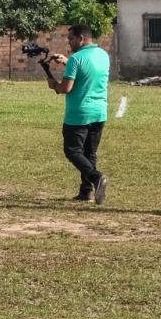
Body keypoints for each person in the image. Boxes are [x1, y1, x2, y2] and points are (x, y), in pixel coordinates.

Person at [44, 24, 110, 204]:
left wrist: (54, 85)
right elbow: (88, 71)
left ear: (81, 39)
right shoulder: (103, 55)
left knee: (72, 151)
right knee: (90, 153)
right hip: (99, 112)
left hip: (79, 113)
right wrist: (66, 61)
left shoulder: (76, 59)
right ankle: (86, 191)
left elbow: (66, 88)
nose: (69, 43)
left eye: (71, 39)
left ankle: (96, 178)